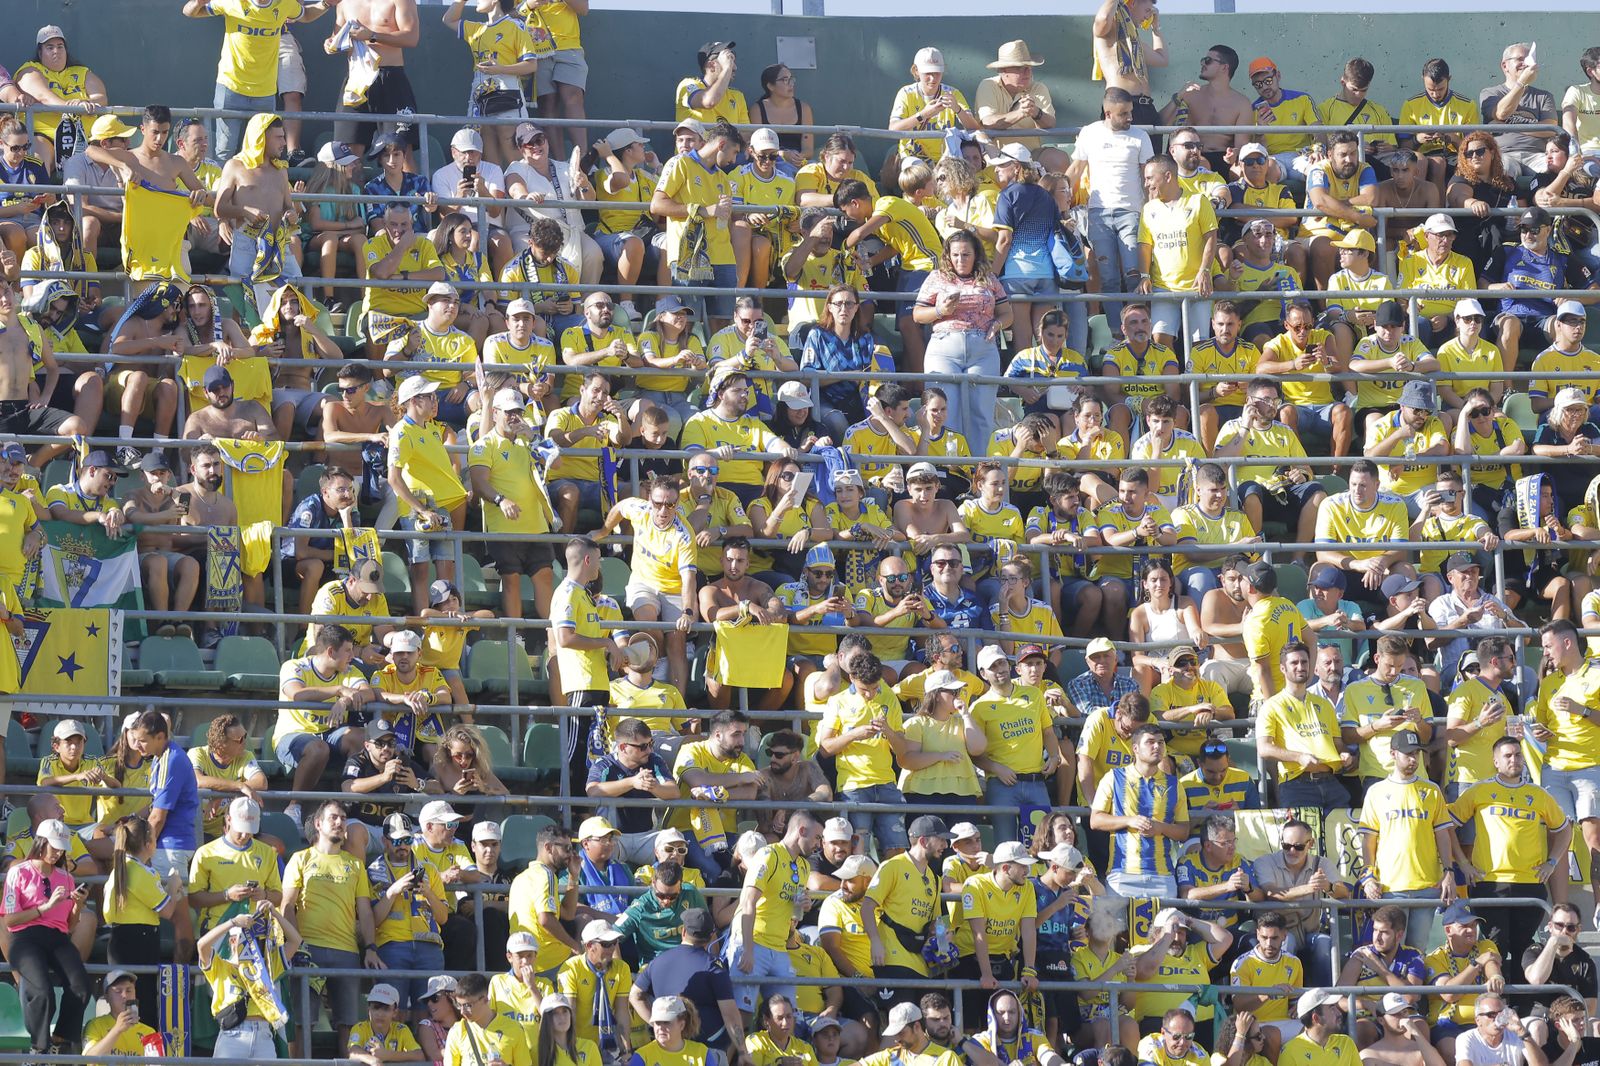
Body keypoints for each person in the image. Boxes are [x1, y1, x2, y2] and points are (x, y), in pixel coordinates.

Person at [283, 801, 382, 1050]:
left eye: (343, 818)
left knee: (348, 1024)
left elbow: (365, 911)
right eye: (333, 818)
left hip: (346, 950)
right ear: (318, 823)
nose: (339, 823)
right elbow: (287, 906)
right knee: (302, 1022)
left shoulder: (355, 864)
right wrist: (297, 946)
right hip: (308, 950)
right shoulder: (300, 858)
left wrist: (370, 947)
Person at [911, 232, 1012, 453]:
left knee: (982, 414)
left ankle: (980, 472)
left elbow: (1007, 313)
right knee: (945, 413)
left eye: (966, 254)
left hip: (983, 349)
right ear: (947, 256)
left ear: (976, 255)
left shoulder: (989, 278)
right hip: (944, 348)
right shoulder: (936, 277)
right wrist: (940, 310)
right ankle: (950, 472)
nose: (960, 260)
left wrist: (997, 325)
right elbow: (917, 314)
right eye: (955, 254)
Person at [1, 818, 92, 1057]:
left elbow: (70, 926)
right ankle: (38, 1049)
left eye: (61, 848)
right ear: (41, 843)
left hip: (57, 937)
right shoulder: (17, 872)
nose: (57, 852)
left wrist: (78, 906)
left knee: (81, 986)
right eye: (54, 846)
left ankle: (58, 1040)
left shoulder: (66, 877)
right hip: (24, 938)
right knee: (43, 992)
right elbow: (9, 920)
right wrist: (46, 906)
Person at [1069, 88, 1154, 334]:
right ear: (1108, 113)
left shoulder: (1140, 136)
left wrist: (1152, 211)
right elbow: (1076, 169)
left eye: (1131, 112)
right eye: (1124, 113)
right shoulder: (1089, 133)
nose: (1130, 118)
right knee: (1108, 277)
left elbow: (1146, 177)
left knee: (1133, 274)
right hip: (1098, 212)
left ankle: (1139, 329)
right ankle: (1117, 333)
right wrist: (1054, 197)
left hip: (1132, 212)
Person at [102, 814, 195, 1027]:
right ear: (147, 844)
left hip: (123, 939)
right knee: (140, 1004)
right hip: (139, 941)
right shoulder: (138, 871)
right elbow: (168, 910)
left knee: (128, 1002)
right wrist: (172, 887)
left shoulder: (123, 868)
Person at [1090, 723, 1188, 897]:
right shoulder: (1113, 777)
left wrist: (1161, 827)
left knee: (1164, 925)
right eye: (1150, 742)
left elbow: (1183, 831)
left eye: (1161, 742)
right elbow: (1095, 820)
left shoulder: (1174, 784)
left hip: (1162, 876)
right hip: (1122, 875)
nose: (1157, 746)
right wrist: (1129, 820)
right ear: (1135, 748)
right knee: (1118, 926)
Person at [630, 909, 746, 1055]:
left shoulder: (658, 961)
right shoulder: (713, 967)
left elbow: (635, 995)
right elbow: (730, 1014)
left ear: (683, 932)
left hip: (669, 1047)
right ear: (711, 937)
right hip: (707, 1047)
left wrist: (657, 1024)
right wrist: (742, 1051)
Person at [1258, 642, 1357, 809]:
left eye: (1304, 662)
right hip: (1297, 784)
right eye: (1294, 663)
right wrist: (1299, 757)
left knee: (1343, 835)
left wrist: (1347, 756)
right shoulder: (1271, 706)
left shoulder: (1324, 705)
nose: (1300, 667)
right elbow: (1264, 749)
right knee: (1303, 835)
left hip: (1331, 782)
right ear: (1283, 668)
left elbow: (1338, 743)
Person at [1137, 155, 1217, 349]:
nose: (1146, 183)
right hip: (1164, 287)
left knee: (1200, 345)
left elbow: (1211, 237)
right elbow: (1144, 245)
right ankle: (1172, 379)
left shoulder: (1198, 201)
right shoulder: (1149, 209)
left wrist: (1205, 270)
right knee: (1160, 340)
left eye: (1150, 178)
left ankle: (1196, 381)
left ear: (1167, 176)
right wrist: (1144, 275)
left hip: (1197, 287)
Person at [1481, 43, 1559, 177]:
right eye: (1520, 59)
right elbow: (1501, 113)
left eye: (1529, 59)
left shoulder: (1544, 96)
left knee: (1550, 169)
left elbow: (1550, 129)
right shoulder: (1490, 93)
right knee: (1505, 169)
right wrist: (1522, 83)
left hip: (1537, 154)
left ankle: (1542, 198)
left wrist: (1509, 126)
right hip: (1504, 154)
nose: (1526, 63)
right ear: (1505, 66)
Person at [444, 973, 532, 1066]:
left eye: (468, 1005)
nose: (462, 1012)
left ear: (485, 999)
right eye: (459, 1005)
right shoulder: (457, 1031)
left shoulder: (514, 1029)